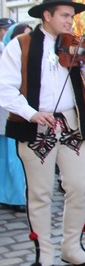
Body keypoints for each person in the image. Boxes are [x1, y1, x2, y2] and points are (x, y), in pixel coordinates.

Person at [0, 0, 85, 266]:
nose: (69, 21)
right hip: (37, 124)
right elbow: (5, 88)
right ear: (47, 16)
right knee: (39, 192)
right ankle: (45, 254)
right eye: (64, 15)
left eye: (71, 16)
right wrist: (30, 113)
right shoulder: (20, 45)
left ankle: (71, 247)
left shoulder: (76, 46)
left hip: (73, 123)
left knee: (79, 186)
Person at [0, 23, 31, 213]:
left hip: (20, 113)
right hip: (6, 110)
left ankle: (17, 195)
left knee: (15, 157)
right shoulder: (6, 54)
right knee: (6, 157)